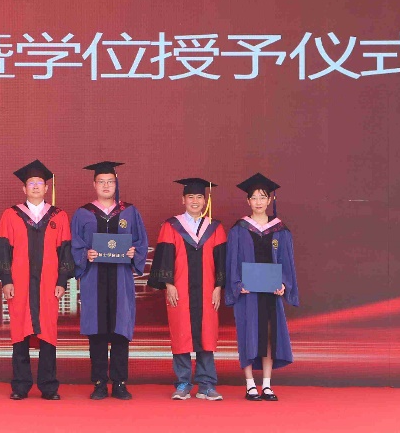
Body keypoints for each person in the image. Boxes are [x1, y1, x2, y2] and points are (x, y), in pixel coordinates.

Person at [0, 159, 74, 401]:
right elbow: (2, 250)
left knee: (48, 332)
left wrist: (62, 281)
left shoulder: (59, 216)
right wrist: (6, 280)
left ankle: (49, 386)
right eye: (31, 183)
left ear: (47, 188)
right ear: (24, 188)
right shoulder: (11, 215)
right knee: (20, 332)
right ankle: (20, 385)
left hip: (48, 284)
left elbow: (65, 251)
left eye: (40, 183)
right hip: (19, 284)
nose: (36, 186)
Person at [71, 160, 147, 401]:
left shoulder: (129, 212)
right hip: (94, 280)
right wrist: (85, 254)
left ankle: (120, 382)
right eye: (101, 182)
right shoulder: (83, 213)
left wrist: (134, 252)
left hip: (121, 280)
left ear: (116, 184)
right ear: (94, 185)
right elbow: (74, 244)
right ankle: (99, 383)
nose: (106, 185)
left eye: (110, 182)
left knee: (120, 331)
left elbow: (141, 242)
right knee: (97, 332)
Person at [147, 178, 227, 401]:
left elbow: (222, 260)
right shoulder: (171, 226)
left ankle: (206, 384)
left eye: (199, 197)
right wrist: (168, 284)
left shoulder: (215, 228)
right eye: (190, 197)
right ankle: (183, 383)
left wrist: (219, 287)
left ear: (205, 201)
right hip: (180, 289)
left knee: (207, 334)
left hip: (207, 290)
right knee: (181, 333)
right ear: (183, 200)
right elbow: (165, 257)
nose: (195, 201)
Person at [225, 173, 298, 402]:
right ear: (248, 201)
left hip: (270, 293)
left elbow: (287, 262)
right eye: (254, 197)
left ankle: (266, 385)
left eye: (263, 197)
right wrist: (237, 284)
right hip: (247, 293)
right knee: (248, 334)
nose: (258, 201)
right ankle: (250, 385)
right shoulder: (239, 229)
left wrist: (284, 284)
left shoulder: (280, 230)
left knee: (268, 335)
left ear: (270, 200)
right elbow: (232, 261)